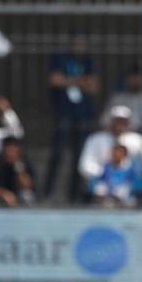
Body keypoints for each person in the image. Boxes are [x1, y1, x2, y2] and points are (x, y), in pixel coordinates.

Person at [43, 34, 99, 202]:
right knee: (57, 155)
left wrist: (68, 81)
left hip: (83, 115)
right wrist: (80, 81)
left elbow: (93, 86)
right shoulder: (60, 58)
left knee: (79, 157)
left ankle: (74, 196)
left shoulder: (88, 61)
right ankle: (47, 193)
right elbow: (54, 80)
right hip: (63, 113)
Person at [78, 105, 142, 188]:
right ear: (110, 121)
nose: (119, 124)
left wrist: (128, 174)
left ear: (128, 123)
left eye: (123, 121)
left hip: (129, 184)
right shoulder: (96, 138)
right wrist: (106, 173)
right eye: (117, 121)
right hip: (102, 183)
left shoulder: (137, 139)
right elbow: (84, 165)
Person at [101, 66, 142, 133]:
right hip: (123, 134)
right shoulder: (117, 98)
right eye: (132, 78)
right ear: (126, 79)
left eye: (138, 78)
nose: (136, 81)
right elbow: (104, 121)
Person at [0, 136, 36, 207]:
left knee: (27, 195)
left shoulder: (24, 162)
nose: (10, 154)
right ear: (2, 149)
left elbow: (27, 186)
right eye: (8, 150)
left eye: (13, 151)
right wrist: (3, 194)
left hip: (17, 196)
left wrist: (19, 168)